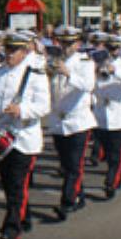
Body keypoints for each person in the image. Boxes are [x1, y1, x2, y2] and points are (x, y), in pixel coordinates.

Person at [0, 31, 50, 239]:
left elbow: (44, 106)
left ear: (25, 52)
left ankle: (11, 230)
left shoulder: (35, 75)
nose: (9, 54)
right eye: (7, 49)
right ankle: (23, 216)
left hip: (22, 138)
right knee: (9, 184)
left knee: (17, 184)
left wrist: (22, 110)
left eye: (14, 50)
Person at [46, 26, 96, 221]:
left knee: (75, 165)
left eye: (69, 43)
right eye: (62, 43)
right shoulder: (54, 61)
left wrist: (68, 73)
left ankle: (67, 203)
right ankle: (79, 195)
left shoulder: (85, 62)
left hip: (78, 121)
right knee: (66, 164)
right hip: (58, 121)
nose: (65, 47)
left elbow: (88, 85)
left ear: (78, 44)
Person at [93, 36, 121, 200]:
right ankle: (116, 177)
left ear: (120, 49)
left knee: (116, 153)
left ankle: (111, 181)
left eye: (115, 48)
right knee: (108, 151)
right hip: (102, 115)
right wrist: (95, 72)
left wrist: (116, 71)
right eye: (109, 48)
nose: (112, 52)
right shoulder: (98, 65)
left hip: (120, 115)